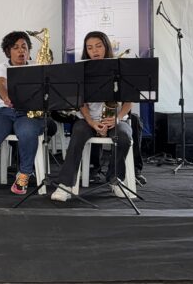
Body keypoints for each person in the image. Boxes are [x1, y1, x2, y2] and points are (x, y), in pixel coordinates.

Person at [51, 31, 133, 201]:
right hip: (88, 119)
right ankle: (65, 185)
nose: (94, 51)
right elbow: (80, 103)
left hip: (114, 118)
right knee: (77, 134)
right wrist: (91, 121)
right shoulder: (81, 70)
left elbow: (128, 102)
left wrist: (117, 119)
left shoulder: (120, 68)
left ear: (106, 47)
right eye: (89, 48)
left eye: (98, 46)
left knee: (124, 136)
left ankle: (115, 180)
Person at [0, 31, 43, 194]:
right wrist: (5, 97)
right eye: (16, 47)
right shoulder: (2, 67)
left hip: (28, 112)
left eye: (24, 47)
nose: (21, 51)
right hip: (4, 111)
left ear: (29, 50)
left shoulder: (37, 67)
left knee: (27, 132)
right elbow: (0, 83)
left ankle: (24, 173)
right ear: (8, 51)